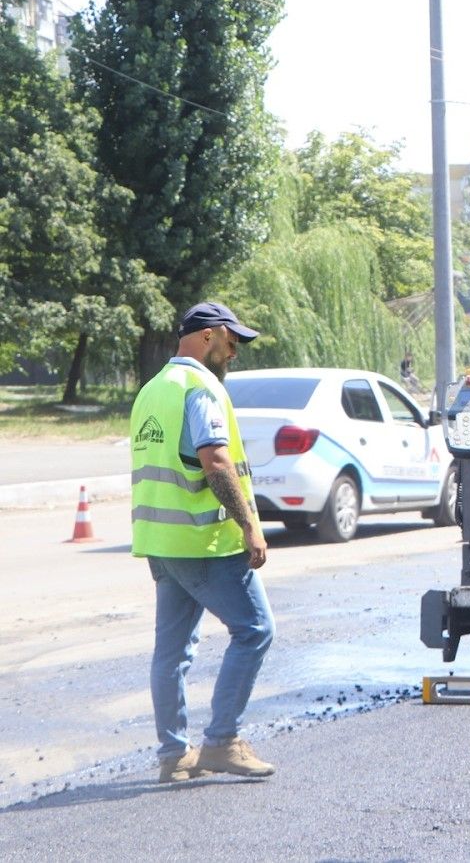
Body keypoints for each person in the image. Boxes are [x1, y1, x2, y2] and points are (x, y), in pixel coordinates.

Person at [129, 301, 276, 783]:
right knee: (255, 629)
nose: (234, 353)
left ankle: (174, 756)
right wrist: (250, 524)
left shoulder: (152, 390)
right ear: (209, 336)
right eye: (233, 342)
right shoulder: (201, 389)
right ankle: (222, 742)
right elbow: (214, 463)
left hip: (161, 542)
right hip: (203, 542)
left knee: (171, 650)